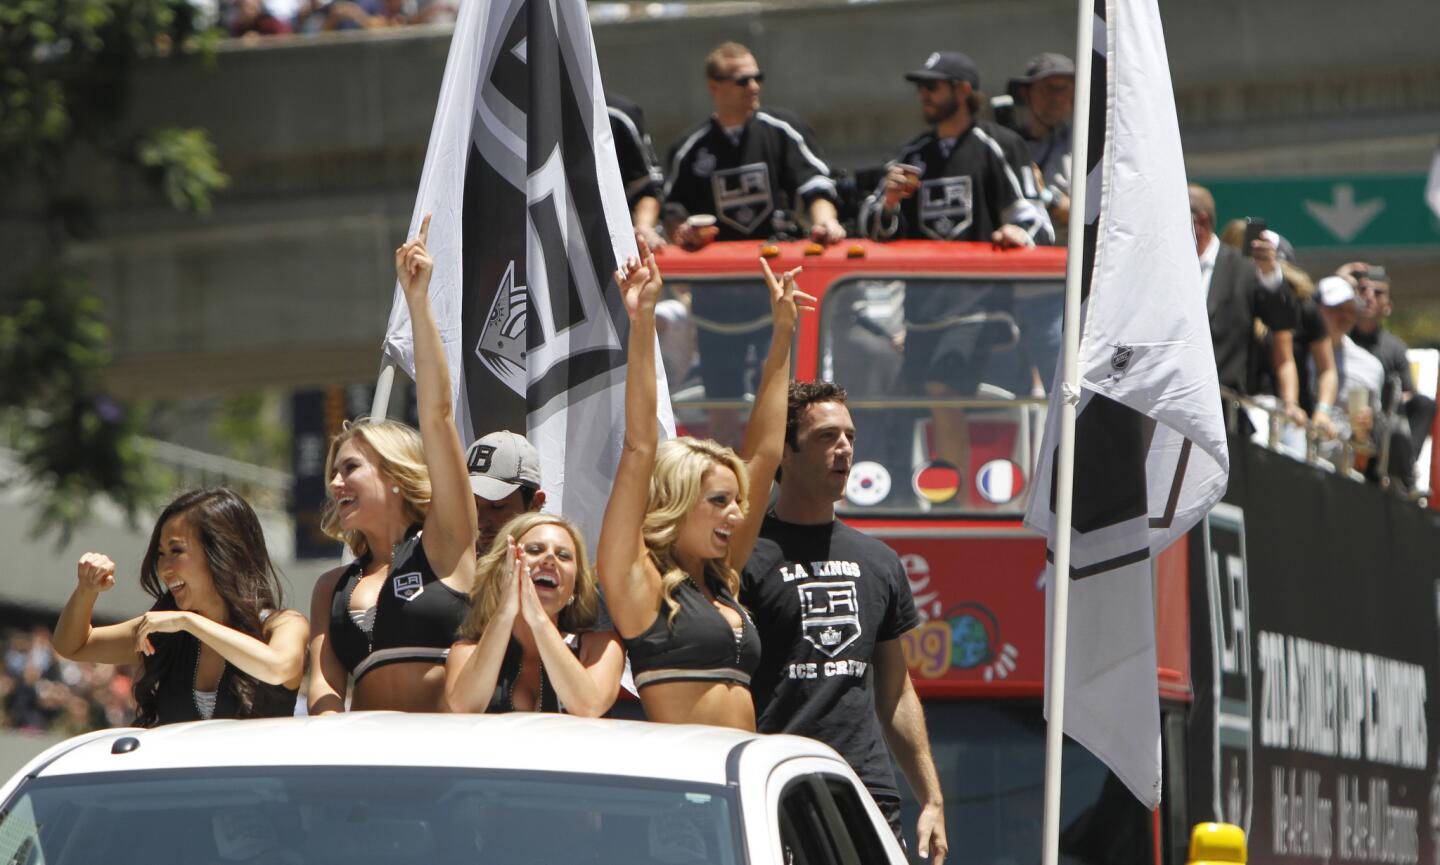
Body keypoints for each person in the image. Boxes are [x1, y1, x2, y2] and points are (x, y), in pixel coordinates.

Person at [596, 240, 807, 729]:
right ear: (676, 502)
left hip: (743, 778)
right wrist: (643, 321)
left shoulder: (723, 575)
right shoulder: (637, 579)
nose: (737, 514)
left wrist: (783, 331)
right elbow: (639, 447)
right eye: (719, 501)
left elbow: (765, 454)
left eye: (737, 501)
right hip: (689, 789)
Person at [741, 382, 946, 859]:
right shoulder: (745, 559)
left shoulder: (880, 562)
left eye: (850, 437)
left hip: (866, 793)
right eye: (827, 437)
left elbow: (895, 692)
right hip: (775, 786)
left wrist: (932, 796)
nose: (845, 449)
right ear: (785, 453)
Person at [308, 215, 478, 713]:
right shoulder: (331, 587)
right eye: (333, 473)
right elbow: (324, 691)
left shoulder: (445, 545)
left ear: (397, 477)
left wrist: (418, 303)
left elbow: (439, 417)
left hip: (452, 764)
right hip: (371, 773)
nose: (336, 483)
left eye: (351, 468)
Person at [859, 50, 1054, 473]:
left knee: (941, 388)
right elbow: (873, 231)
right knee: (900, 407)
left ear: (964, 91)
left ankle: (951, 494)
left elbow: (1035, 217)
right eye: (920, 88)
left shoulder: (997, 144)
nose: (924, 96)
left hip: (982, 311)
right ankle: (899, 503)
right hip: (921, 314)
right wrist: (890, 201)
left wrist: (1018, 234)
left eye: (933, 87)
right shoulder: (912, 153)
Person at [53, 488, 308, 727]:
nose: (164, 568)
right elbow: (73, 645)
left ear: (222, 552)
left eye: (176, 551)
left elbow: (278, 668)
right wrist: (86, 590)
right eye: (161, 554)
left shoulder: (283, 625)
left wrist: (189, 622)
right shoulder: (166, 631)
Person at [444, 515, 624, 715]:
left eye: (563, 555)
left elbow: (588, 706)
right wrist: (505, 613)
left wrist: (538, 619)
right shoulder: (466, 651)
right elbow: (464, 707)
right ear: (502, 570)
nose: (550, 559)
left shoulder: (600, 648)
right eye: (534, 550)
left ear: (575, 586)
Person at [1187, 188, 1297, 413]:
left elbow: (1283, 320)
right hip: (1169, 409)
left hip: (1225, 412)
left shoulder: (1242, 268)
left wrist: (1269, 274)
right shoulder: (1167, 267)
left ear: (1202, 221)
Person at [1346, 264, 1435, 489]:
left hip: (1382, 420)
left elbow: (1407, 392)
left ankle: (1404, 470)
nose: (1369, 297)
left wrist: (1380, 408)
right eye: (1363, 289)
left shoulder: (1395, 347)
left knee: (1424, 404)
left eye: (1378, 293)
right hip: (1348, 415)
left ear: (1388, 307)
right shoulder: (1341, 338)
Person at [1316, 275, 1383, 467]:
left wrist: (1363, 431)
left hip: (1343, 474)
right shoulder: (1297, 353)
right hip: (1294, 462)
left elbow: (1366, 452)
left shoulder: (1371, 366)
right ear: (1316, 309)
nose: (1344, 316)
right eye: (1336, 308)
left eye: (1350, 309)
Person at [466, 430, 545, 555]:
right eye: (472, 506)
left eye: (497, 506)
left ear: (535, 503)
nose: (479, 522)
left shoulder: (554, 569)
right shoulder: (444, 568)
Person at [608, 94, 667, 250]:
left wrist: (644, 229)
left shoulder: (619, 114)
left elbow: (647, 190)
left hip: (614, 249)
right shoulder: (537, 114)